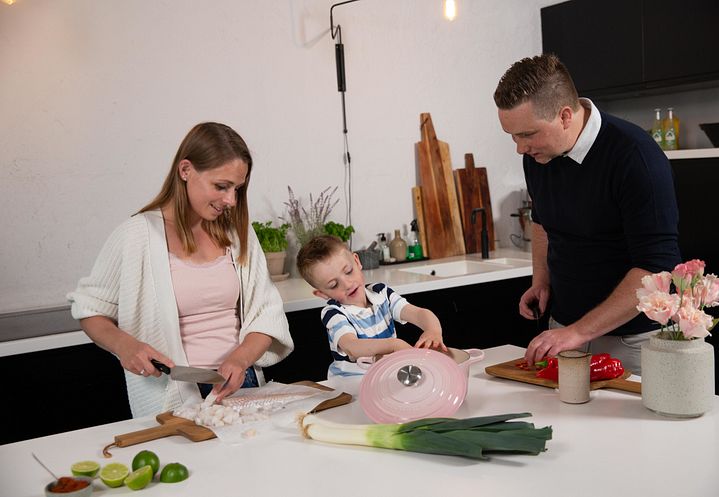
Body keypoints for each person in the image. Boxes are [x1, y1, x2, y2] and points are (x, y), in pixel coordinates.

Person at [68, 122, 294, 417]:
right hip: (170, 396)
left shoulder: (238, 235)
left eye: (237, 189)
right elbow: (90, 309)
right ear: (185, 170)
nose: (231, 200)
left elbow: (267, 315)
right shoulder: (136, 235)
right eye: (221, 186)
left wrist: (240, 360)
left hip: (240, 386)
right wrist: (125, 346)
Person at [493, 54, 680, 374]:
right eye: (513, 136)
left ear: (565, 116)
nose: (519, 148)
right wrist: (541, 279)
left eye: (527, 134)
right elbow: (541, 220)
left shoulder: (634, 156)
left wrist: (579, 331)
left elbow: (655, 270)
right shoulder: (538, 156)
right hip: (564, 332)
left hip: (635, 340)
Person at [296, 235, 446, 377]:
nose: (347, 284)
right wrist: (394, 344)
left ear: (357, 261)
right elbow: (352, 346)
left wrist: (433, 330)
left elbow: (419, 313)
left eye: (348, 271)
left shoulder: (381, 293)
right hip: (351, 386)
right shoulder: (334, 313)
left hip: (386, 375)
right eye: (334, 285)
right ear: (323, 294)